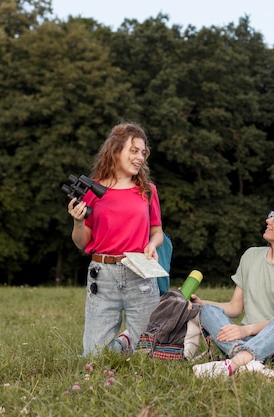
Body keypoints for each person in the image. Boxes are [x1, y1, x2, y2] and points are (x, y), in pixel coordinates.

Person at [191, 199, 274, 378]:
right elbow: (235, 308)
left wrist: (246, 330)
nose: (268, 221)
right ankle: (249, 361)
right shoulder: (251, 256)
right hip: (247, 341)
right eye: (272, 215)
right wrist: (200, 303)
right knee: (207, 311)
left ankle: (235, 363)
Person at [68, 122, 164, 356]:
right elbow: (81, 243)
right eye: (133, 150)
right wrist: (78, 221)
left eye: (142, 152)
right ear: (115, 151)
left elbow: (157, 231)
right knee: (93, 356)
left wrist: (152, 245)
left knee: (149, 355)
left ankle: (129, 340)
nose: (139, 157)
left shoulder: (147, 190)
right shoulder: (93, 191)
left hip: (139, 275)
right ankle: (124, 342)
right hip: (103, 276)